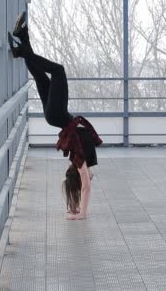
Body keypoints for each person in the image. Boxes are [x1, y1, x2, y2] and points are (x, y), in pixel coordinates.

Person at [8, 12, 103, 221]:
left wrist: (82, 214)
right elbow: (85, 184)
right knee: (41, 78)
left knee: (58, 71)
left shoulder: (79, 159)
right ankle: (23, 38)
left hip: (57, 114)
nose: (91, 178)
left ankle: (22, 51)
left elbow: (86, 186)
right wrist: (75, 204)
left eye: (86, 177)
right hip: (54, 116)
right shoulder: (81, 161)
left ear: (77, 174)